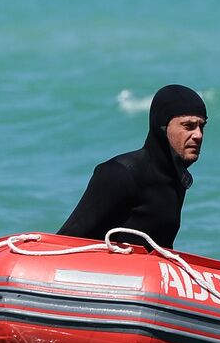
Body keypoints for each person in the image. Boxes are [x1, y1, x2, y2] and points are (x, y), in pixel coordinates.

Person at [59, 84, 207, 248]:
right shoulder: (121, 174)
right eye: (188, 126)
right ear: (162, 128)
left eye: (202, 126)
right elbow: (66, 241)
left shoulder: (176, 179)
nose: (198, 135)